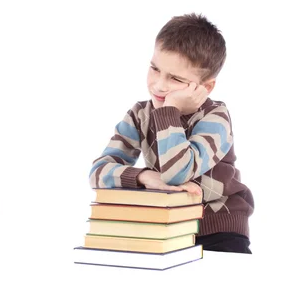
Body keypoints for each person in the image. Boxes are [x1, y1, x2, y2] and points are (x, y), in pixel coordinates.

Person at [89, 14, 254, 253]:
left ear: (205, 87)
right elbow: (98, 172)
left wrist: (168, 111)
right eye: (155, 69)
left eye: (175, 78)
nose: (159, 85)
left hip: (219, 230)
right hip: (166, 227)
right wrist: (145, 177)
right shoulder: (140, 115)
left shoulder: (215, 117)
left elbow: (178, 172)